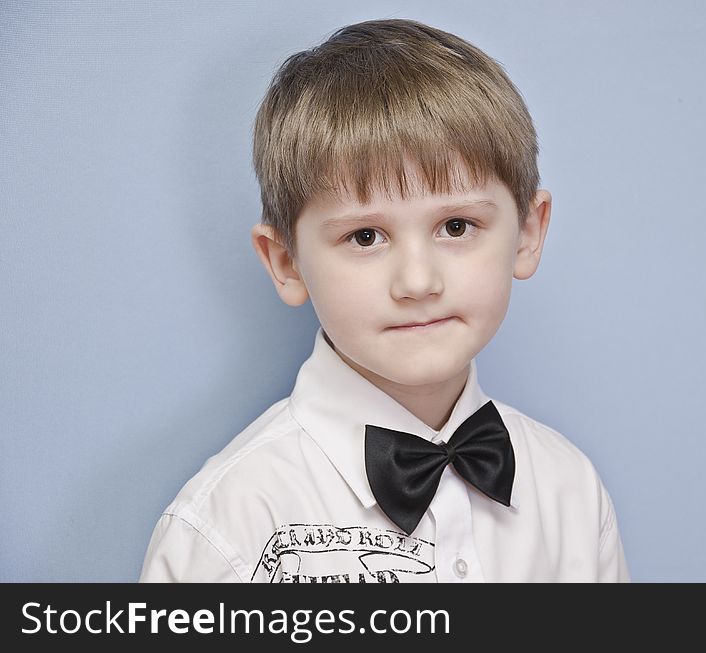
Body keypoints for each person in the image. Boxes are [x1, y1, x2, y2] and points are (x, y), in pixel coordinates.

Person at [139, 17, 629, 583]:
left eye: (456, 226)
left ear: (526, 233)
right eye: (365, 237)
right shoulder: (229, 527)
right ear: (286, 262)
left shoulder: (571, 488)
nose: (418, 282)